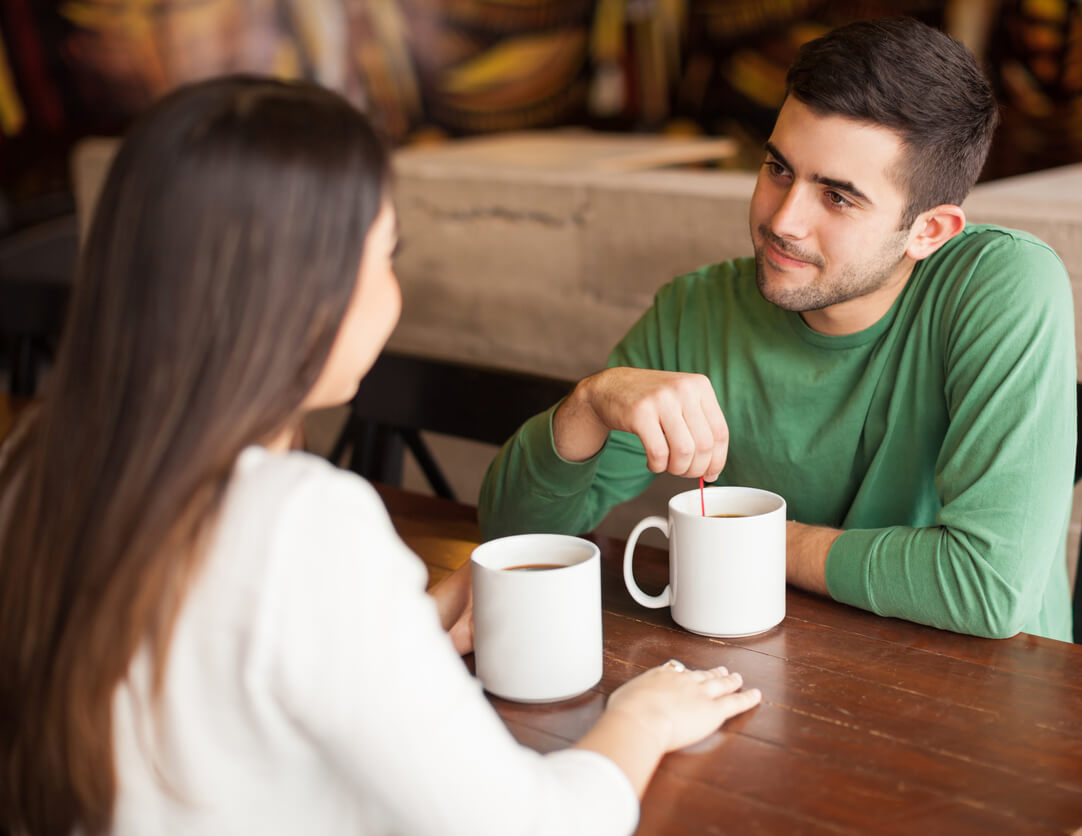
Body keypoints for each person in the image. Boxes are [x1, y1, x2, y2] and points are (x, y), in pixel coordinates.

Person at [0, 77, 759, 836]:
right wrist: (645, 718)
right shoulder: (300, 520)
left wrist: (403, 629)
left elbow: (209, 677)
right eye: (383, 255)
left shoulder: (36, 463)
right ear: (298, 291)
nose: (392, 295)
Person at [479, 17, 1078, 642]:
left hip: (983, 701)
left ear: (928, 231)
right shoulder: (696, 309)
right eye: (778, 167)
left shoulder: (1002, 283)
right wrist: (589, 404)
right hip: (775, 677)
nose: (783, 220)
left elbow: (985, 587)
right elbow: (511, 542)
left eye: (838, 197)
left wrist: (748, 540)